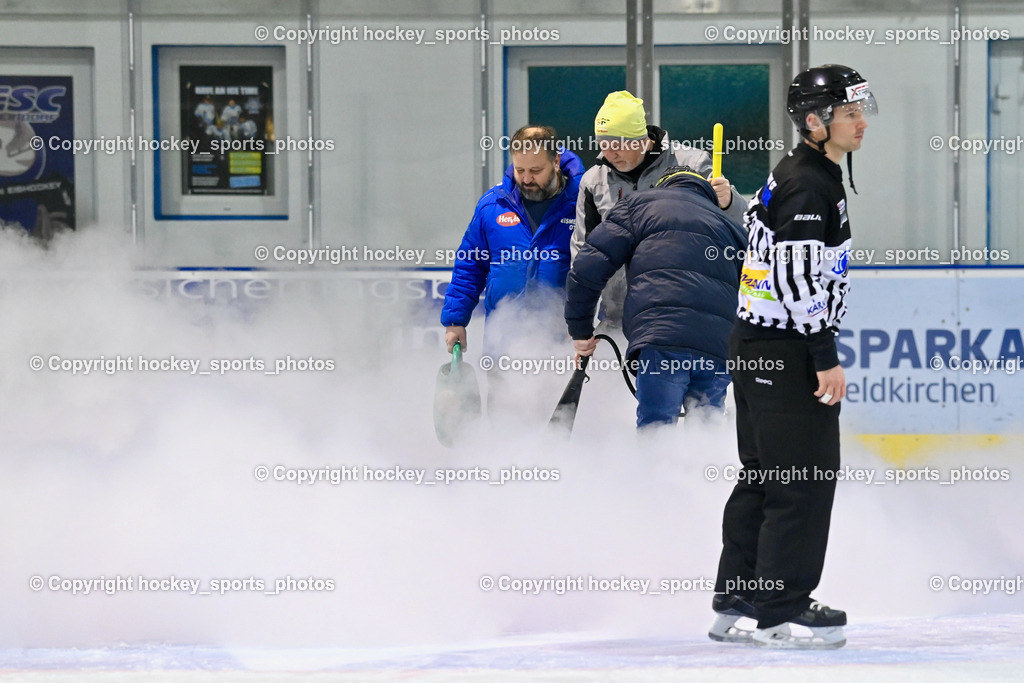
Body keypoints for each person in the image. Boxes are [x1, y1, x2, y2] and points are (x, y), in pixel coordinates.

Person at [709, 65, 877, 650]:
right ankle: (782, 607)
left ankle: (738, 595)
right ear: (815, 121)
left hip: (757, 346)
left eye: (862, 110)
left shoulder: (799, 173)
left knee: (764, 473)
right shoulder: (810, 184)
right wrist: (823, 355)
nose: (861, 122)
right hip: (784, 352)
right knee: (802, 480)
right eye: (849, 112)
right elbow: (797, 277)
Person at [564, 166, 746, 428]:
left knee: (656, 430)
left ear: (663, 186)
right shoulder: (730, 226)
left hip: (661, 339)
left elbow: (587, 269)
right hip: (718, 347)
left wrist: (580, 331)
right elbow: (760, 293)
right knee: (707, 433)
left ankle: (655, 469)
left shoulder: (638, 206)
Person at [571, 91, 747, 328]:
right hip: (618, 314)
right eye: (603, 144)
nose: (609, 154)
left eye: (618, 145)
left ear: (641, 138)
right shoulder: (593, 181)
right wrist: (580, 313)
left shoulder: (691, 164)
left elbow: (741, 225)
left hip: (687, 308)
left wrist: (728, 203)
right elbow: (583, 250)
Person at [440, 125, 584, 404]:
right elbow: (469, 265)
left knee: (557, 431)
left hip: (561, 346)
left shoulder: (582, 202)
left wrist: (589, 322)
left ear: (556, 162)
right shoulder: (493, 205)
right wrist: (456, 321)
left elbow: (602, 269)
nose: (527, 179)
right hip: (503, 346)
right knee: (505, 428)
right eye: (520, 171)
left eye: (536, 171)